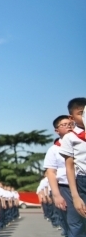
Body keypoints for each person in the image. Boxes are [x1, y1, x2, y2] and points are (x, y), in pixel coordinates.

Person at [44, 115, 78, 237]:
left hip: (82, 184)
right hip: (66, 188)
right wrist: (57, 195)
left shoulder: (81, 143)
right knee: (74, 223)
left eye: (71, 124)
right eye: (64, 124)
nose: (69, 126)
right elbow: (51, 173)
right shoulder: (54, 150)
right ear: (56, 130)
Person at [60, 97, 86, 228]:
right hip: (83, 182)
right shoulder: (70, 138)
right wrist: (75, 196)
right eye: (81, 113)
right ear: (71, 118)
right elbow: (69, 167)